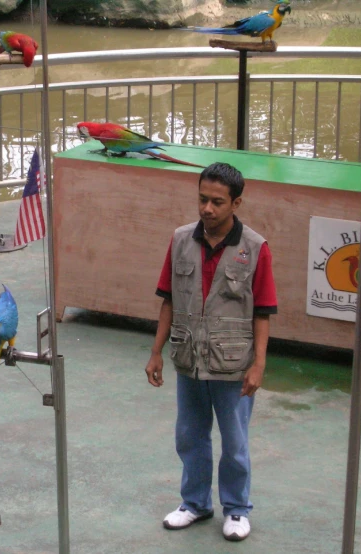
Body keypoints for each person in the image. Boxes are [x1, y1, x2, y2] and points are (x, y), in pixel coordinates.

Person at [144, 162, 277, 542]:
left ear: (236, 202)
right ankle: (195, 504)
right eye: (202, 199)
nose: (207, 209)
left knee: (235, 442)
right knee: (190, 435)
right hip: (189, 361)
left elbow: (264, 310)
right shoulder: (181, 240)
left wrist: (259, 365)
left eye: (217, 202)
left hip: (233, 366)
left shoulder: (255, 248)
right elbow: (168, 300)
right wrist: (156, 353)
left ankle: (236, 510)